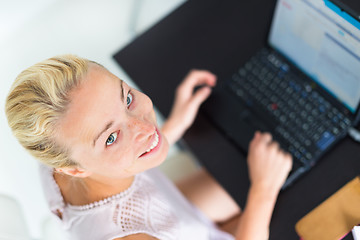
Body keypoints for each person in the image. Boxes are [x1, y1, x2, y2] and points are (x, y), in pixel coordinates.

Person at [5, 55, 292, 240]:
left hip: (181, 214)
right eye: (111, 138)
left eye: (127, 99)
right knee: (294, 199)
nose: (145, 128)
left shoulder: (59, 148)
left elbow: (127, 131)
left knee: (257, 172)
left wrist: (173, 127)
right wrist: (263, 191)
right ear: (73, 170)